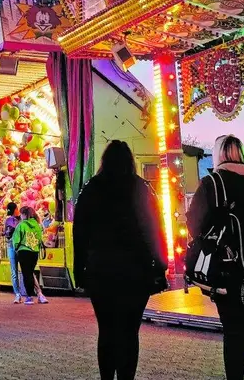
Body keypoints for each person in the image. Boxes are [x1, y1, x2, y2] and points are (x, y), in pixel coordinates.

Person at [186, 134, 244, 380]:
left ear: (218, 155)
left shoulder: (212, 184)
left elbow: (194, 224)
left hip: (227, 271)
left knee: (233, 333)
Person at [73, 139, 168, 380]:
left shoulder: (91, 189)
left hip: (100, 270)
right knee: (129, 331)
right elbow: (155, 229)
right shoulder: (142, 189)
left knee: (106, 331)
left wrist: (79, 269)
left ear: (104, 161)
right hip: (136, 271)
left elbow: (80, 233)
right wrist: (161, 266)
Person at [12, 206, 47, 304]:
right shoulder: (37, 225)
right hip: (34, 252)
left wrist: (16, 248)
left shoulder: (21, 225)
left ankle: (29, 297)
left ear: (24, 214)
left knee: (26, 274)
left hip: (23, 251)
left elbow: (16, 239)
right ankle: (38, 295)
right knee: (31, 273)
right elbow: (40, 238)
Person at [1, 202, 23, 303]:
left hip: (19, 246)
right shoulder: (10, 220)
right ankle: (18, 294)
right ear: (15, 209)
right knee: (14, 271)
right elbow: (7, 233)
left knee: (23, 270)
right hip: (13, 246)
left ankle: (23, 293)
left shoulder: (21, 218)